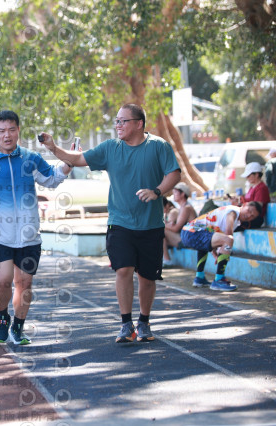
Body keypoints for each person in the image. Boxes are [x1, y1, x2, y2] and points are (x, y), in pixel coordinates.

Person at [39, 104, 181, 343]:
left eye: (123, 121)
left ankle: (144, 321)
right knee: (123, 269)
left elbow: (174, 174)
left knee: (147, 278)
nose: (118, 125)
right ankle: (126, 324)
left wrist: (156, 191)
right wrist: (53, 148)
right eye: (117, 121)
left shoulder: (159, 146)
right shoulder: (110, 148)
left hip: (151, 224)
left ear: (139, 123)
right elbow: (78, 158)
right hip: (120, 223)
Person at [0, 110, 72, 345]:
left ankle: (18, 326)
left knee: (24, 284)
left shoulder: (30, 158)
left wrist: (69, 163)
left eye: (12, 130)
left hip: (29, 235)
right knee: (3, 280)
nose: (7, 135)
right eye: (2, 131)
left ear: (18, 131)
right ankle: (3, 317)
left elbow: (51, 178)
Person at [181, 202, 261, 292]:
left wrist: (218, 251)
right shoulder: (233, 212)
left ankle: (199, 278)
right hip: (192, 232)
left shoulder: (234, 216)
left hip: (189, 230)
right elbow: (228, 234)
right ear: (244, 205)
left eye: (252, 216)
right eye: (249, 210)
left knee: (208, 244)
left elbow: (213, 235)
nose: (249, 215)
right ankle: (219, 280)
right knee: (229, 239)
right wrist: (226, 252)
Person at [163, 182, 197, 265]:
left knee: (160, 231)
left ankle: (167, 260)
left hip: (189, 239)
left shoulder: (186, 208)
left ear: (183, 194)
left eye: (175, 192)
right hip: (184, 237)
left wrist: (163, 224)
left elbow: (175, 228)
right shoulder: (181, 207)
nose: (173, 194)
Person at [231, 162, 269, 229]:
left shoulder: (261, 188)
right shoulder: (252, 188)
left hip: (251, 221)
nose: (247, 178)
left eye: (248, 176)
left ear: (256, 174)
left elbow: (257, 208)